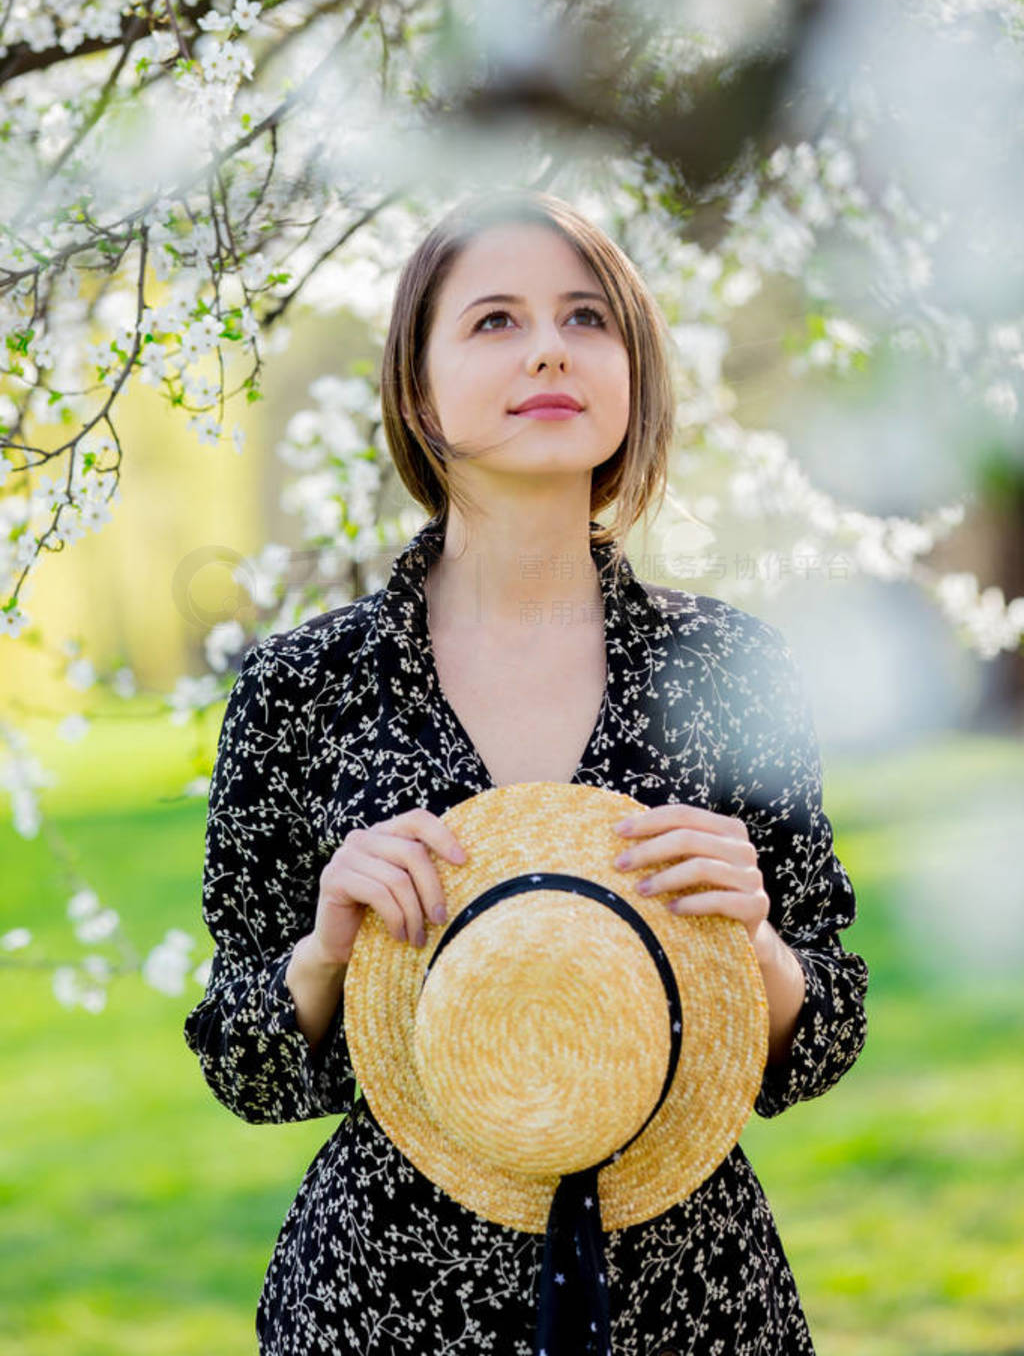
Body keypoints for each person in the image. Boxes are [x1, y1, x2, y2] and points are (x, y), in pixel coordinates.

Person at [184, 186, 869, 1356]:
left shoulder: (730, 664)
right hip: (385, 1301)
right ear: (416, 385)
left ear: (633, 369)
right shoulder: (301, 687)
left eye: (587, 318)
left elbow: (824, 1036)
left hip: (691, 1301)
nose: (550, 347)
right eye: (494, 320)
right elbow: (245, 1068)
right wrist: (324, 950)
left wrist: (752, 941)